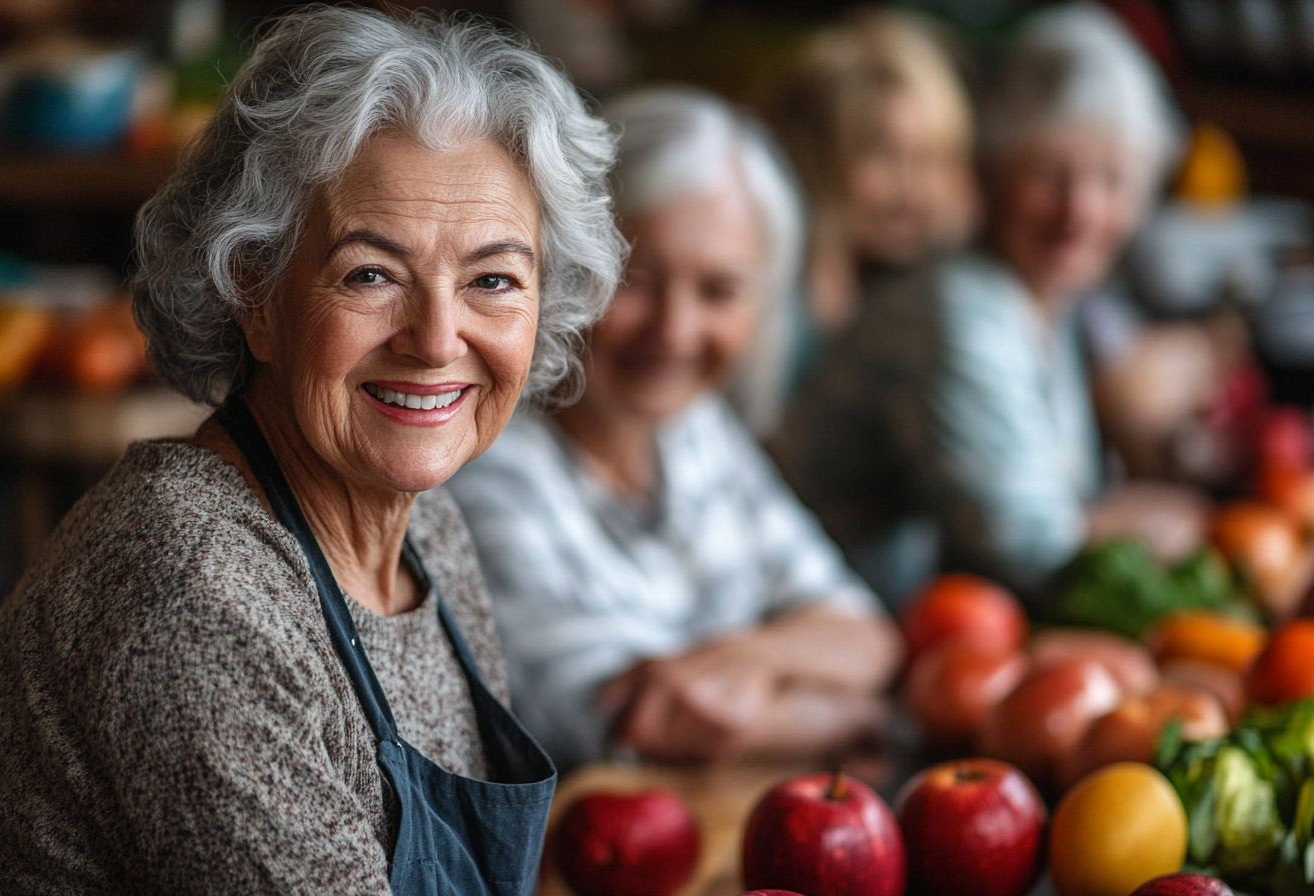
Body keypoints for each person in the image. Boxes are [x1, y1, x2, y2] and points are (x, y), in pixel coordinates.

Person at [0, 8, 624, 894]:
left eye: (493, 280)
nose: (437, 339)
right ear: (254, 291)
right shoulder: (194, 587)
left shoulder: (429, 530)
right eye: (371, 274)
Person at [448, 88, 902, 771]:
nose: (676, 331)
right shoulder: (488, 468)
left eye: (718, 291)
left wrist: (751, 658)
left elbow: (868, 636)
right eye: (636, 279)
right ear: (565, 266)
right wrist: (861, 714)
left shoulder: (698, 433)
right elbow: (629, 730)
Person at [774, 3, 1209, 606]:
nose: (1081, 212)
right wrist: (1164, 521)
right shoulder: (958, 309)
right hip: (843, 628)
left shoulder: (1048, 304)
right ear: (995, 171)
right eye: (1051, 175)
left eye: (1113, 182)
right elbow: (1032, 546)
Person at [764, 7, 976, 337]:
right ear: (815, 152)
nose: (912, 189)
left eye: (931, 158)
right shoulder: (775, 304)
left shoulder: (931, 287)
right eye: (884, 156)